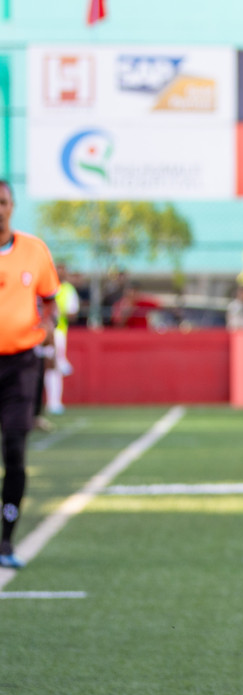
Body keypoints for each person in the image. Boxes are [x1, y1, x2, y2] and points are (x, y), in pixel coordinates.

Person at [0, 179, 61, 569]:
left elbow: (50, 301)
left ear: (13, 206)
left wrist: (50, 326)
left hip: (21, 364)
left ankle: (6, 541)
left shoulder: (35, 250)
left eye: (3, 202)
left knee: (15, 454)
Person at [40, 261, 79, 416]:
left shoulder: (68, 290)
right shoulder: (45, 285)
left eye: (63, 270)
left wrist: (57, 312)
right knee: (43, 366)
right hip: (41, 330)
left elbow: (73, 314)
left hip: (58, 331)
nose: (60, 273)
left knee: (53, 366)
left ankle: (54, 402)